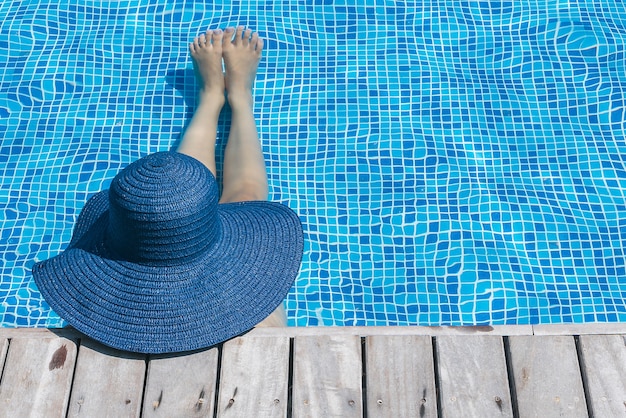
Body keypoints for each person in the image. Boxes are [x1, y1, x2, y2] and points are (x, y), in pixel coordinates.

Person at [32, 27, 303, 354]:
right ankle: (238, 99)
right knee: (243, 193)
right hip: (245, 345)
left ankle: (211, 98)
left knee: (168, 201)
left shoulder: (90, 317)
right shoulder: (256, 315)